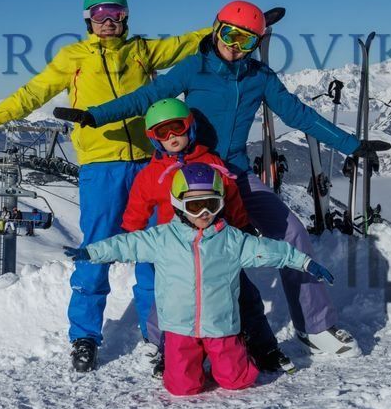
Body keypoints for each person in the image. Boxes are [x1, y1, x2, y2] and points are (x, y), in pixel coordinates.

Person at [55, 0, 389, 356]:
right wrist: (95, 116)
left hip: (237, 173)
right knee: (181, 252)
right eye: (229, 35)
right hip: (192, 176)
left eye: (245, 41)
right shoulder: (192, 69)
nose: (234, 46)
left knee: (292, 231)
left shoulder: (260, 77)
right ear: (215, 29)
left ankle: (315, 325)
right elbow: (145, 98)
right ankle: (164, 339)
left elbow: (299, 115)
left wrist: (352, 145)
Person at [0, 0, 211, 373]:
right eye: (100, 13)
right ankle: (85, 336)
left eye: (116, 13)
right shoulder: (72, 57)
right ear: (87, 19)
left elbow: (188, 42)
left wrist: (233, 26)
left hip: (151, 164)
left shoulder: (142, 50)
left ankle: (161, 338)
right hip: (101, 168)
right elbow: (30, 94)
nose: (109, 21)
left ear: (127, 17)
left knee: (155, 254)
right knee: (97, 250)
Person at [64, 164, 334, 396]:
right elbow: (125, 245)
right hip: (180, 329)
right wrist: (92, 251)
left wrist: (305, 262)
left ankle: (239, 352)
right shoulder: (162, 239)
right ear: (179, 204)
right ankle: (193, 360)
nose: (204, 212)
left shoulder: (231, 239)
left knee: (238, 381)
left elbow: (272, 251)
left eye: (211, 204)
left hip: (222, 327)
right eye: (195, 205)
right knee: (181, 388)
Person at [126, 98, 294, 376]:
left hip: (218, 248)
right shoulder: (151, 175)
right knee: (171, 305)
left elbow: (232, 195)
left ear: (189, 128)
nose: (171, 137)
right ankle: (170, 354)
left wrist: (242, 227)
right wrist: (132, 240)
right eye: (162, 133)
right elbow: (136, 210)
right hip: (178, 255)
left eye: (176, 128)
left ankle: (264, 348)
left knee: (243, 295)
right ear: (153, 138)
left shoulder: (212, 163)